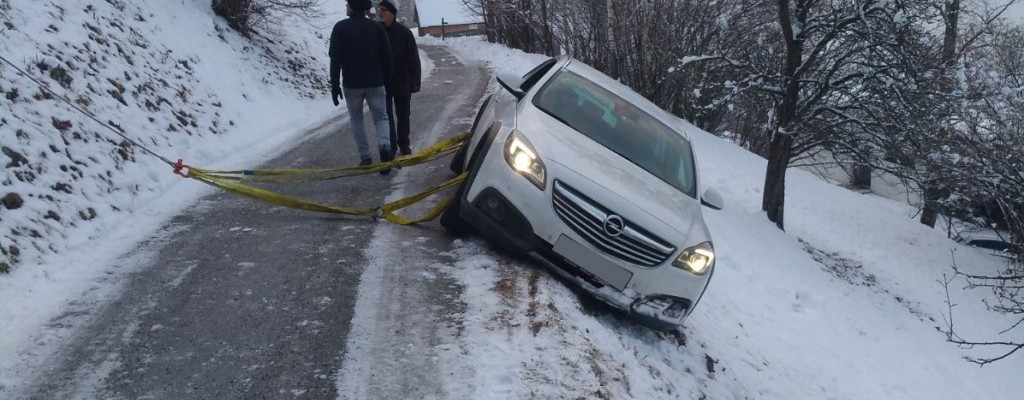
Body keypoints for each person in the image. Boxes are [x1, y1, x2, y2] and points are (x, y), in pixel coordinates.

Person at [329, 0, 394, 174]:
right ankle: (385, 147)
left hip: (352, 84)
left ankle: (365, 157)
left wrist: (334, 85)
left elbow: (335, 60)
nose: (345, 7)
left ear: (352, 6)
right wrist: (388, 80)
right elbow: (387, 56)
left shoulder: (340, 28)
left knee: (356, 119)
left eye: (347, 4)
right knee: (381, 117)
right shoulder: (376, 27)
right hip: (375, 82)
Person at [377, 0, 421, 156]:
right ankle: (392, 146)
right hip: (383, 84)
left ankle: (404, 144)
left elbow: (414, 59)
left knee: (403, 116)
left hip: (403, 82)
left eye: (384, 10)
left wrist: (414, 82)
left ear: (392, 13)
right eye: (379, 9)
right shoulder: (376, 33)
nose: (380, 12)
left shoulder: (404, 33)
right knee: (386, 117)